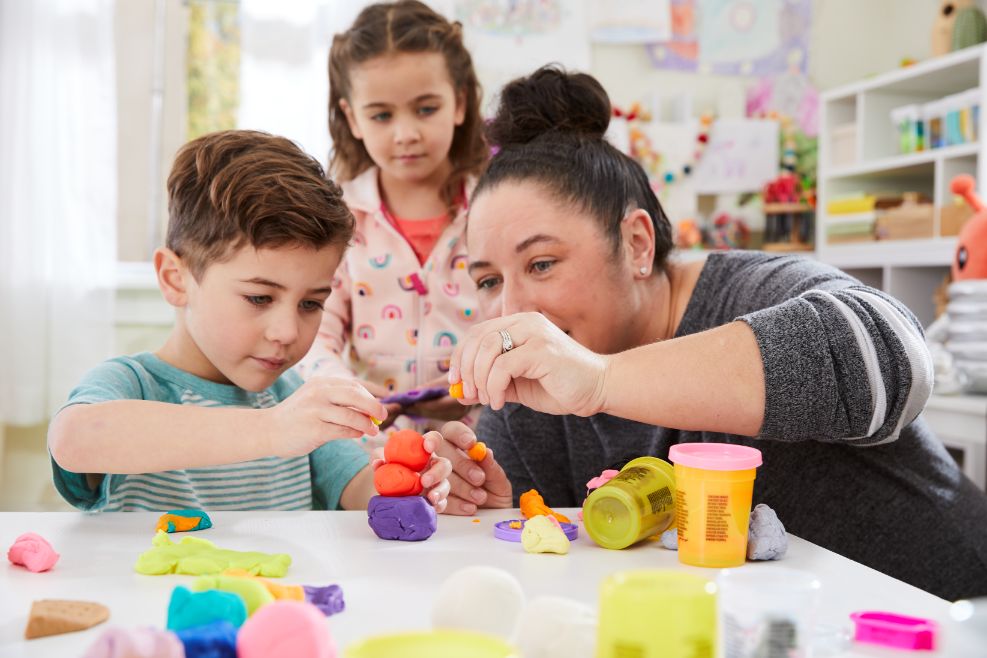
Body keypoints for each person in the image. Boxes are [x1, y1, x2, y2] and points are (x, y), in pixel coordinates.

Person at [437, 66, 987, 601]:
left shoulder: (751, 290)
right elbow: (555, 566)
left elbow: (898, 364)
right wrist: (496, 505)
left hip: (952, 612)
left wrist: (602, 381)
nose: (509, 308)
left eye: (541, 264)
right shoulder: (529, 380)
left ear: (636, 245)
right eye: (487, 280)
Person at [47, 130, 451, 513]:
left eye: (311, 304)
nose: (287, 332)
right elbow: (73, 439)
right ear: (176, 279)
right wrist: (271, 431)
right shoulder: (132, 385)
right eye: (259, 297)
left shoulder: (293, 399)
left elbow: (364, 491)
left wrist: (417, 479)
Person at [297, 0, 487, 451]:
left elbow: (523, 323)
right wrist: (349, 395)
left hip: (482, 442)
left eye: (425, 109)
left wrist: (479, 388)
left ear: (458, 103)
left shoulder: (493, 210)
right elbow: (314, 335)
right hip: (371, 452)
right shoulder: (338, 218)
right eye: (382, 115)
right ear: (351, 118)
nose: (405, 134)